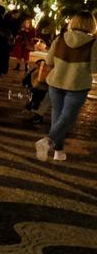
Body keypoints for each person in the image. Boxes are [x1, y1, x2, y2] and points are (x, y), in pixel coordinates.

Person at [35, 11, 97, 161]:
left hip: (56, 82)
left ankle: (59, 151)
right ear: (91, 25)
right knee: (68, 117)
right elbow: (94, 69)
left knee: (58, 116)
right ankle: (48, 141)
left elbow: (49, 61)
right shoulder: (93, 43)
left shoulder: (60, 38)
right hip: (77, 84)